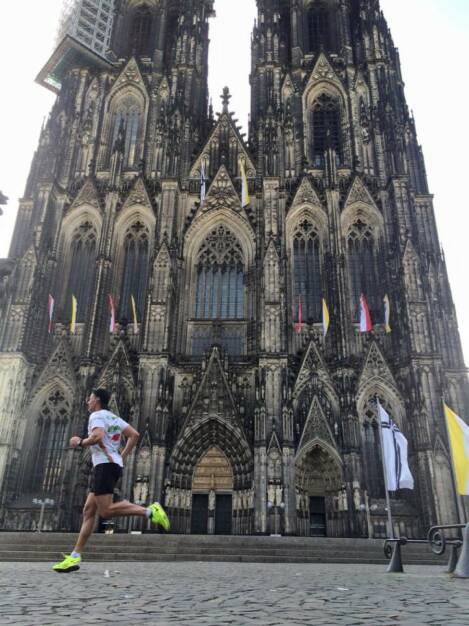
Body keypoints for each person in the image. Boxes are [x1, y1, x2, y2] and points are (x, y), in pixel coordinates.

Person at [53, 388, 170, 573]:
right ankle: (74, 557)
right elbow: (135, 435)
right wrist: (121, 455)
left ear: (97, 400)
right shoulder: (113, 417)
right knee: (88, 510)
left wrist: (80, 442)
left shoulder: (96, 416)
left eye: (89, 398)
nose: (87, 401)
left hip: (104, 466)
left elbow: (97, 436)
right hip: (111, 464)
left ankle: (150, 511)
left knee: (106, 511)